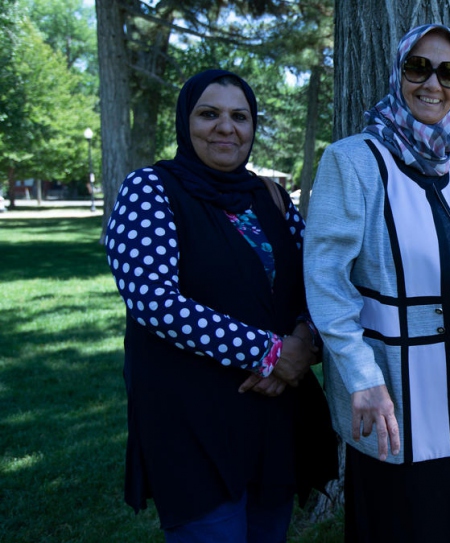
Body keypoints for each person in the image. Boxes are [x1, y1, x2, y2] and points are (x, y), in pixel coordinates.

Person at [302, 24, 450, 543]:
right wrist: (362, 378)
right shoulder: (353, 161)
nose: (433, 83)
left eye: (449, 72)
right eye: (419, 68)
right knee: (414, 518)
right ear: (398, 73)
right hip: (398, 388)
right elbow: (326, 283)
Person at [104, 70, 338, 541]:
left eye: (240, 116)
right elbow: (155, 302)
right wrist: (272, 354)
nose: (226, 127)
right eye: (209, 114)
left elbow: (319, 279)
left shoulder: (269, 196)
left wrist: (303, 341)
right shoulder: (150, 190)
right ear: (184, 122)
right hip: (193, 416)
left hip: (273, 414)